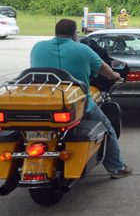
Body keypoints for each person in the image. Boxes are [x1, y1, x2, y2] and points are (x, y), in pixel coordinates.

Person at [30, 19, 133, 179]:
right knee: (108, 129)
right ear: (74, 34)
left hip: (42, 104)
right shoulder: (82, 49)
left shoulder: (38, 48)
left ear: (55, 32)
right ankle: (116, 168)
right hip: (77, 104)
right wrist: (115, 75)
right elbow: (105, 69)